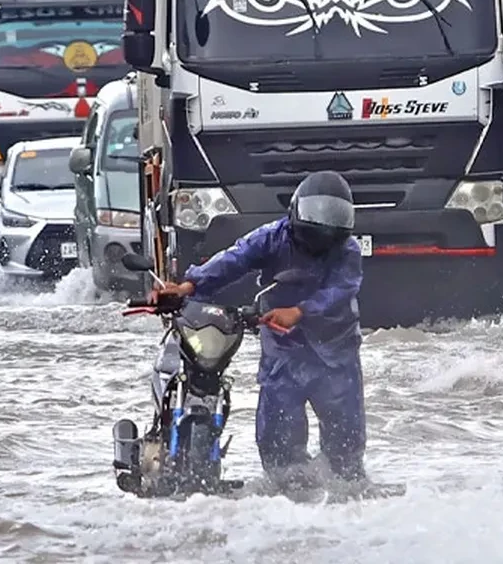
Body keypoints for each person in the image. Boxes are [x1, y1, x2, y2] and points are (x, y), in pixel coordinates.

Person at [151, 170, 366, 490]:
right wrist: (188, 285)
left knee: (345, 444)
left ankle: (346, 500)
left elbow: (341, 289)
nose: (321, 233)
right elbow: (234, 260)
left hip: (334, 348)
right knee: (279, 442)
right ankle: (288, 500)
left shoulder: (347, 249)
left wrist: (300, 312)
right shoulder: (272, 237)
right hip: (284, 348)